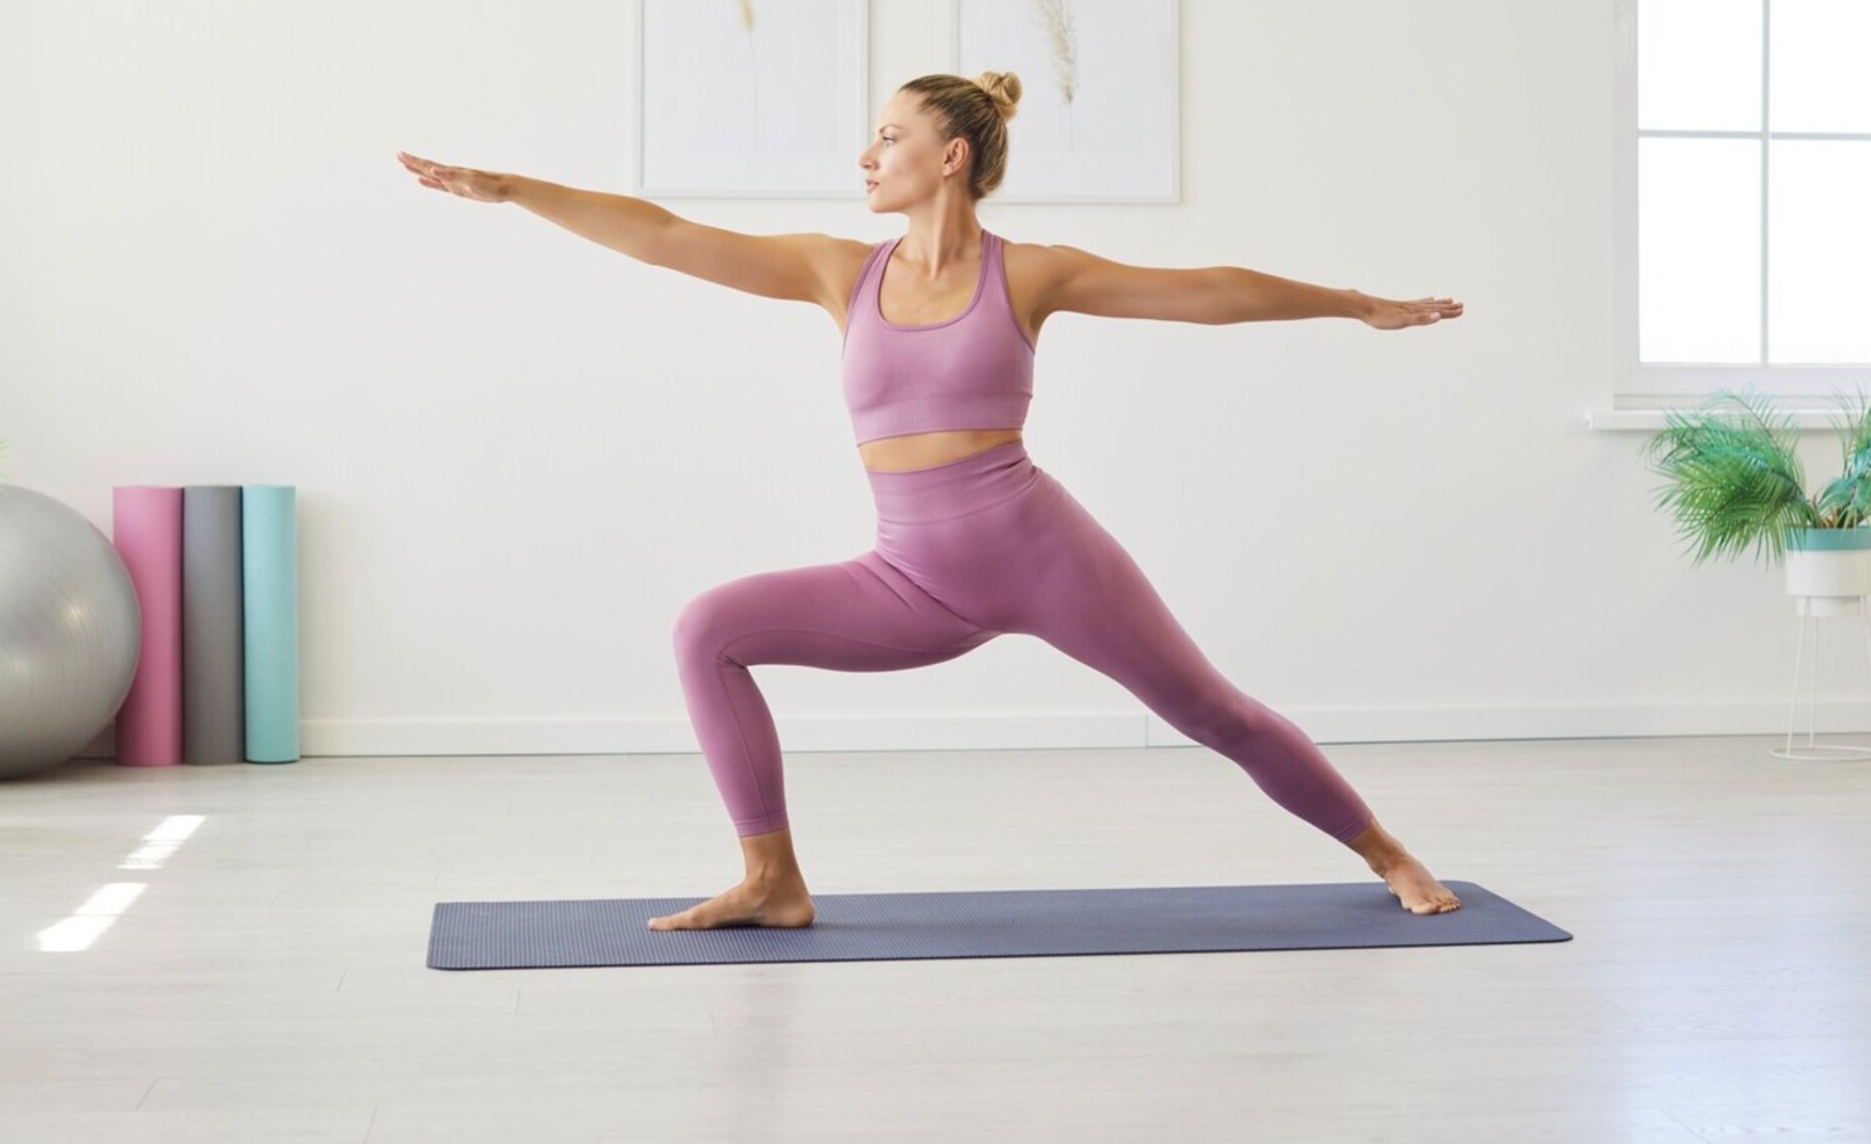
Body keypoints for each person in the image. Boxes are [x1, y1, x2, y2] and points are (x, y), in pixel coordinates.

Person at [398, 69, 1466, 934]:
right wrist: (514, 191)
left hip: (1043, 553)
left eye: (886, 136)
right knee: (706, 631)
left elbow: (1205, 293)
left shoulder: (1029, 273)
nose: (864, 156)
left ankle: (1387, 853)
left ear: (946, 157)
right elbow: (668, 235)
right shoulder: (836, 272)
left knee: (1212, 714)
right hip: (910, 579)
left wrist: (1354, 306)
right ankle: (771, 880)